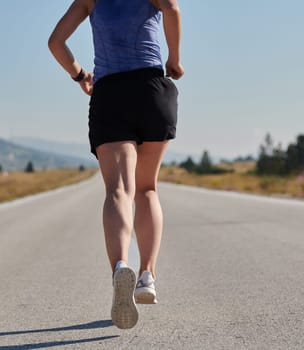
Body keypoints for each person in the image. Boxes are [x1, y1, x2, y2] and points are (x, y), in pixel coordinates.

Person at [49, 0, 183, 329]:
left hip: (110, 94)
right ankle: (146, 275)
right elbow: (172, 9)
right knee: (147, 188)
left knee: (118, 190)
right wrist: (174, 59)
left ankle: (121, 265)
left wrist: (80, 75)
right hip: (152, 90)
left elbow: (56, 42)